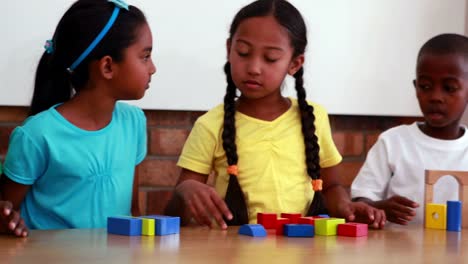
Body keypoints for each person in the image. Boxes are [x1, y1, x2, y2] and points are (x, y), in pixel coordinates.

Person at [166, 0, 385, 229]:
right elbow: (175, 211)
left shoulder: (313, 117)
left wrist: (345, 207)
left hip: (304, 251)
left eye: (270, 58)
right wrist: (184, 192)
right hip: (235, 252)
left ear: (295, 63)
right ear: (229, 49)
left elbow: (331, 187)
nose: (253, 67)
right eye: (243, 53)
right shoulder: (211, 124)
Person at [0, 0, 156, 237]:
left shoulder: (133, 122)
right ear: (107, 67)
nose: (152, 68)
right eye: (145, 57)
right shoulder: (36, 135)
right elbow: (6, 216)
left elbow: (132, 212)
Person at [351, 33, 468, 225]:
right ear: (416, 88)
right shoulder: (392, 142)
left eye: (449, 88)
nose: (435, 97)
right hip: (399, 253)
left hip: (459, 254)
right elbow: (361, 201)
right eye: (425, 86)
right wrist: (380, 208)